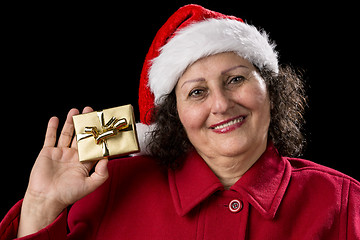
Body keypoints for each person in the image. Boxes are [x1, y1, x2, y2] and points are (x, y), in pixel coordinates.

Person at [1, 4, 359, 240]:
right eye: (197, 93)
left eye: (236, 79)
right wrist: (40, 204)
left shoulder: (343, 200)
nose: (221, 104)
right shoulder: (108, 188)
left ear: (272, 89)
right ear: (175, 116)